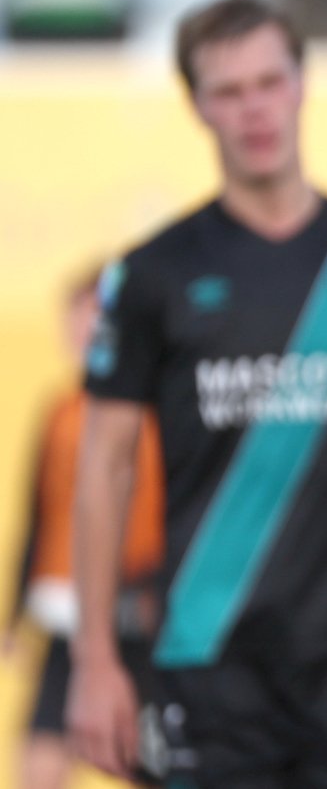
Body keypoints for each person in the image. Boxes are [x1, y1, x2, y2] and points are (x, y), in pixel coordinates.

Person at [67, 0, 327, 787]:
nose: (255, 109)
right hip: (207, 658)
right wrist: (96, 659)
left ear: (301, 83)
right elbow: (102, 468)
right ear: (198, 106)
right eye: (229, 91)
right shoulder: (151, 273)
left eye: (268, 82)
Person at [6, 270, 164, 789]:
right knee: (42, 762)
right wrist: (13, 616)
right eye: (76, 319)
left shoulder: (155, 412)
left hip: (137, 618)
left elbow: (176, 513)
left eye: (96, 318)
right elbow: (40, 513)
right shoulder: (61, 412)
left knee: (146, 760)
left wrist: (151, 591)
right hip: (65, 613)